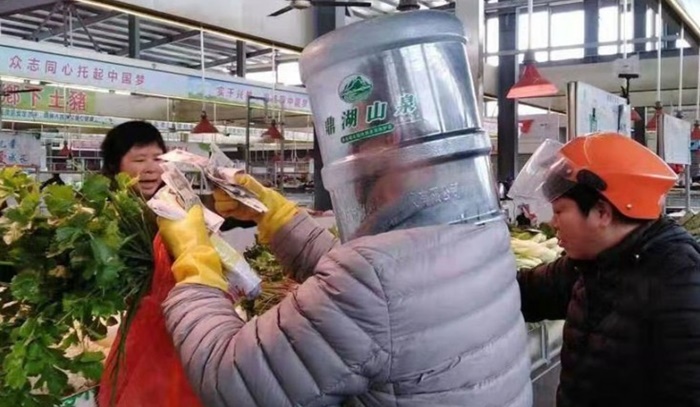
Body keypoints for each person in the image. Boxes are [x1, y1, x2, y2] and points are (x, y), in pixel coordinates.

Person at [513, 132, 700, 407]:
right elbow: (525, 293)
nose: (553, 223)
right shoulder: (589, 263)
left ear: (602, 212)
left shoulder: (679, 282)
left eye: (560, 211)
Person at [100, 120, 166, 200]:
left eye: (157, 159)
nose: (151, 169)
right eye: (140, 160)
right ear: (113, 164)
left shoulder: (176, 202)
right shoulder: (95, 203)